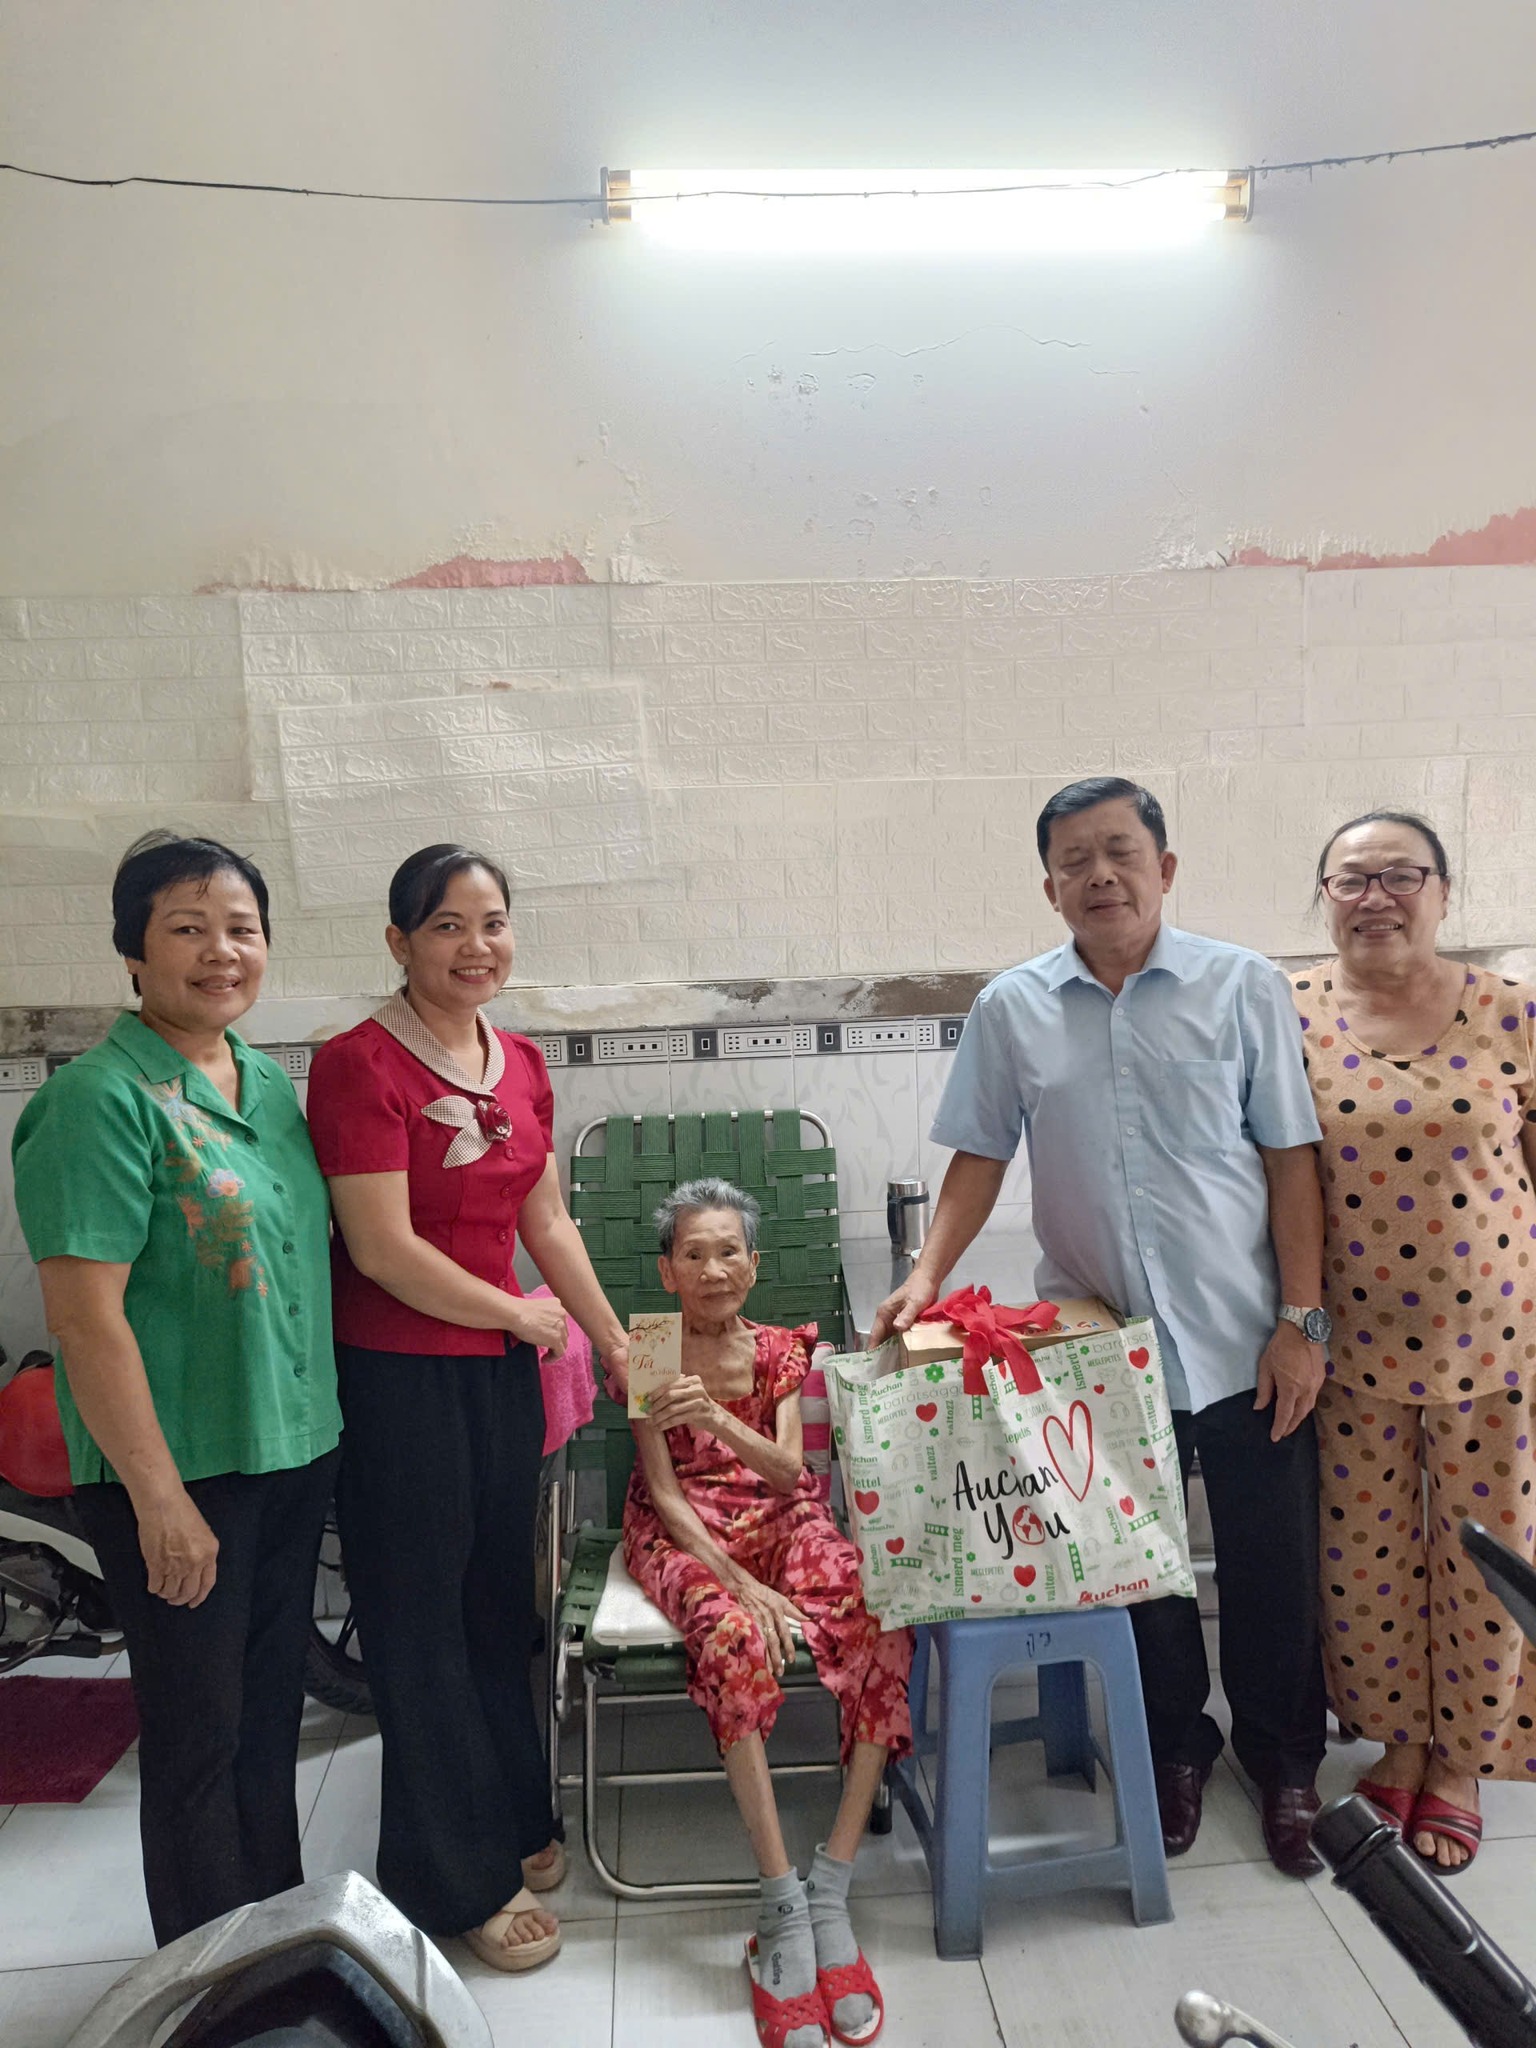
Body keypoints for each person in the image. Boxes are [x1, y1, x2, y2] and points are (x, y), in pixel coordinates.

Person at [870, 775, 1332, 1877]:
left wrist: (1302, 1320)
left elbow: (1290, 1160)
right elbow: (979, 1154)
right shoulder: (1013, 1008)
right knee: (1140, 1568)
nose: (1101, 876)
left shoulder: (1242, 984)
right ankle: (1175, 1746)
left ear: (1164, 867)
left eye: (1120, 852)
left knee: (1270, 1563)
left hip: (1245, 1335)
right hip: (1100, 1349)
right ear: (1050, 888)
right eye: (1074, 860)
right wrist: (926, 1275)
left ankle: (1284, 1759)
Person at [10, 830, 342, 1945]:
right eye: (188, 929)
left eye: (241, 928)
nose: (221, 952)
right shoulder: (97, 1101)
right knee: (200, 1737)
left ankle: (279, 1942)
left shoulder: (263, 1082)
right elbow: (84, 1318)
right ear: (133, 952)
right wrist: (159, 1499)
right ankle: (209, 1977)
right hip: (179, 1469)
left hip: (289, 1448)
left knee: (266, 1722)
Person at [303, 844, 629, 1973]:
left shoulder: (519, 1059)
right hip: (398, 1376)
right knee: (419, 1624)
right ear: (400, 941)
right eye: (447, 925)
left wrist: (609, 1337)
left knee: (498, 1607)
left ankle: (515, 1812)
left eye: (493, 922)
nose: (476, 945)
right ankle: (452, 1876)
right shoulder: (357, 1063)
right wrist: (521, 1314)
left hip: (498, 1369)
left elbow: (549, 1221)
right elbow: (380, 1248)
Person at [1293, 810, 1536, 1872]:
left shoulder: (1511, 1010)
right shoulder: (1288, 1011)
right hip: (1346, 1344)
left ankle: (1463, 1761)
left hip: (1499, 1342)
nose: (1376, 898)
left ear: (1443, 892)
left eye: (1402, 875)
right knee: (1364, 1561)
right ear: (1325, 899)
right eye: (1352, 880)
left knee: (1486, 1555)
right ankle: (1396, 1738)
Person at [625, 1179, 910, 2048]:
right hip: (684, 1528)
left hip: (778, 1515)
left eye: (729, 1252)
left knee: (883, 1613)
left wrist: (713, 1414)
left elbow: (790, 1473)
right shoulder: (648, 1350)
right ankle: (781, 1902)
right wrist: (732, 1580)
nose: (713, 1269)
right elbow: (664, 1494)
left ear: (754, 1265)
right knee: (729, 1635)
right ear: (668, 1272)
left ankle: (832, 1887)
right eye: (694, 1254)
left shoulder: (783, 1351)